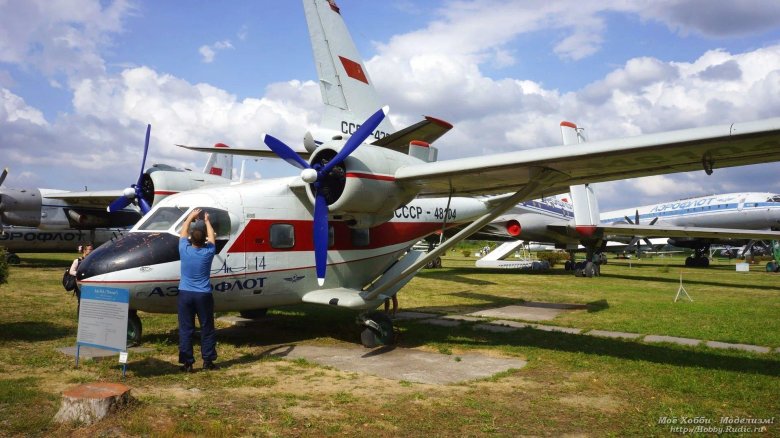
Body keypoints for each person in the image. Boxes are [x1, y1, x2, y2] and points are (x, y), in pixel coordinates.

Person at [178, 208, 218, 372]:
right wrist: (207, 221)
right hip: (203, 295)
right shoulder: (209, 252)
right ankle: (208, 361)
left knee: (186, 329)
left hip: (185, 294)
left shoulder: (184, 250)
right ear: (204, 241)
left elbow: (183, 232)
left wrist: (190, 217)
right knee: (207, 328)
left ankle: (187, 363)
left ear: (191, 239)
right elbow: (212, 238)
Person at [69, 243, 93, 318]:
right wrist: (80, 274)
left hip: (90, 283)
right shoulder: (77, 260)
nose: (92, 251)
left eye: (92, 249)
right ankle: (80, 317)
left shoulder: (93, 260)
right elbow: (71, 271)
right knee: (81, 301)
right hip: (80, 284)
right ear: (85, 250)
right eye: (90, 249)